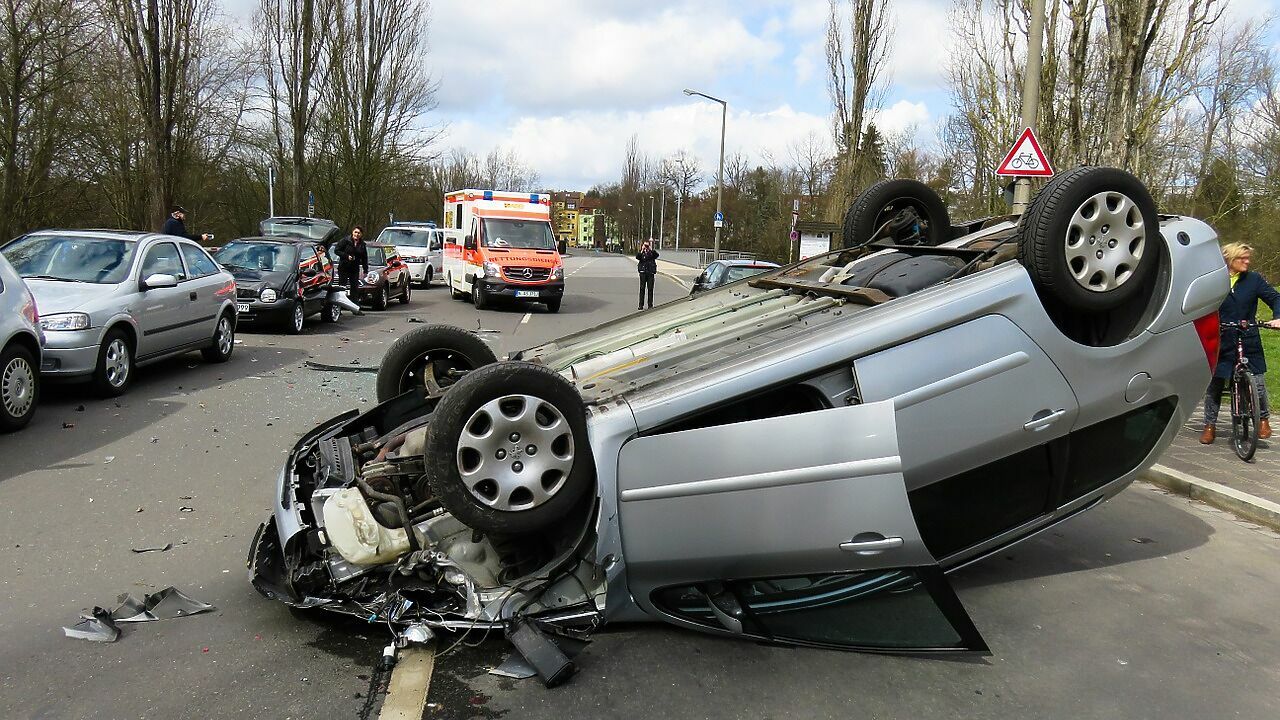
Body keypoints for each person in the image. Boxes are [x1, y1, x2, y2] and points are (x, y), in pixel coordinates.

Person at [1200, 242, 1280, 444]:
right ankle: (1210, 425)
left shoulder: (1253, 280)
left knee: (1258, 382)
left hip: (1248, 336)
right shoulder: (1214, 281)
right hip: (1222, 338)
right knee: (1216, 384)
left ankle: (1263, 420)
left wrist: (1278, 316)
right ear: (1229, 259)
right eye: (1241, 258)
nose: (1247, 261)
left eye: (1248, 258)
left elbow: (1275, 298)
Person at [332, 226, 369, 315]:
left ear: (361, 234)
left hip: (354, 268)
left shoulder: (362, 244)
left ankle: (355, 309)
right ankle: (338, 309)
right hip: (344, 267)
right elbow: (336, 250)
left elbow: (364, 258)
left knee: (354, 289)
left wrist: (365, 270)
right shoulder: (345, 241)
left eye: (359, 233)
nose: (357, 234)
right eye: (355, 232)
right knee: (342, 288)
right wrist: (346, 256)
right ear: (352, 232)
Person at [636, 239, 659, 310]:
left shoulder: (652, 253)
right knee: (642, 289)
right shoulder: (642, 253)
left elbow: (657, 255)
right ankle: (640, 305)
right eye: (645, 245)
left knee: (650, 289)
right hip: (643, 272)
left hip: (650, 272)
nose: (646, 247)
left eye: (647, 245)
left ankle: (650, 305)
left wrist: (651, 249)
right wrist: (642, 250)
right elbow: (637, 257)